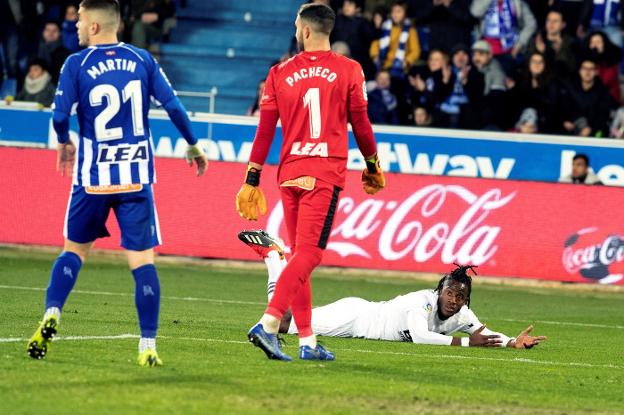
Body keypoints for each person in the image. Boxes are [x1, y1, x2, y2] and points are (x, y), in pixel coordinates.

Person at [26, 0, 208, 367]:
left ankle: (52, 312)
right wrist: (191, 143)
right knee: (142, 262)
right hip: (135, 177)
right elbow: (172, 105)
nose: (75, 26)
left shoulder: (76, 64)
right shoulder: (142, 60)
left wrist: (64, 141)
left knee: (73, 252)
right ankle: (147, 345)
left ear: (94, 26)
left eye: (79, 20)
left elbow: (60, 115)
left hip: (93, 176)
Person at [235, 3, 385, 362]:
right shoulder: (349, 70)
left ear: (303, 31)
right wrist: (372, 164)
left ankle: (307, 341)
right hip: (323, 171)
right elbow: (361, 124)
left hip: (288, 173)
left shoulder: (278, 73)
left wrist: (251, 177)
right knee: (311, 254)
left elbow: (264, 129)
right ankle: (269, 323)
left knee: (300, 254)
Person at [239, 230, 547, 349]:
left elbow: (483, 331)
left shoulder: (462, 312)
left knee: (285, 320)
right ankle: (274, 257)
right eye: (450, 293)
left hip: (360, 323)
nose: (454, 301)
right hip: (357, 316)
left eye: (460, 297)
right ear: (439, 290)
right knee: (282, 321)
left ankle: (274, 257)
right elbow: (422, 337)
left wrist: (510, 343)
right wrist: (468, 345)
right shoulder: (421, 304)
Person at [561, 58, 616, 137]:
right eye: (585, 68)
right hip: (572, 129)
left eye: (591, 69)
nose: (587, 72)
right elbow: (563, 109)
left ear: (596, 72)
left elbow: (603, 115)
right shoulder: (570, 88)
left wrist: (591, 128)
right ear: (579, 71)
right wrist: (564, 121)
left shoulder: (603, 91)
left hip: (595, 132)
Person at [330, 0, 376, 80]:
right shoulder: (336, 20)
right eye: (345, 4)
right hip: (336, 61)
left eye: (350, 4)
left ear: (358, 8)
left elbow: (371, 39)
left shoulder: (363, 23)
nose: (346, 6)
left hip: (356, 60)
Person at [471, 40, 508, 130]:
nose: (477, 58)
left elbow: (494, 104)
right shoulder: (473, 71)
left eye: (481, 54)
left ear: (490, 55)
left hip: (492, 125)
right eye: (475, 54)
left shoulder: (496, 73)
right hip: (478, 121)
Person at [583, 31, 622, 102]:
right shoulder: (584, 61)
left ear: (604, 44)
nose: (595, 45)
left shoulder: (611, 60)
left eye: (598, 42)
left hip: (609, 99)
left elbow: (604, 82)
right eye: (592, 42)